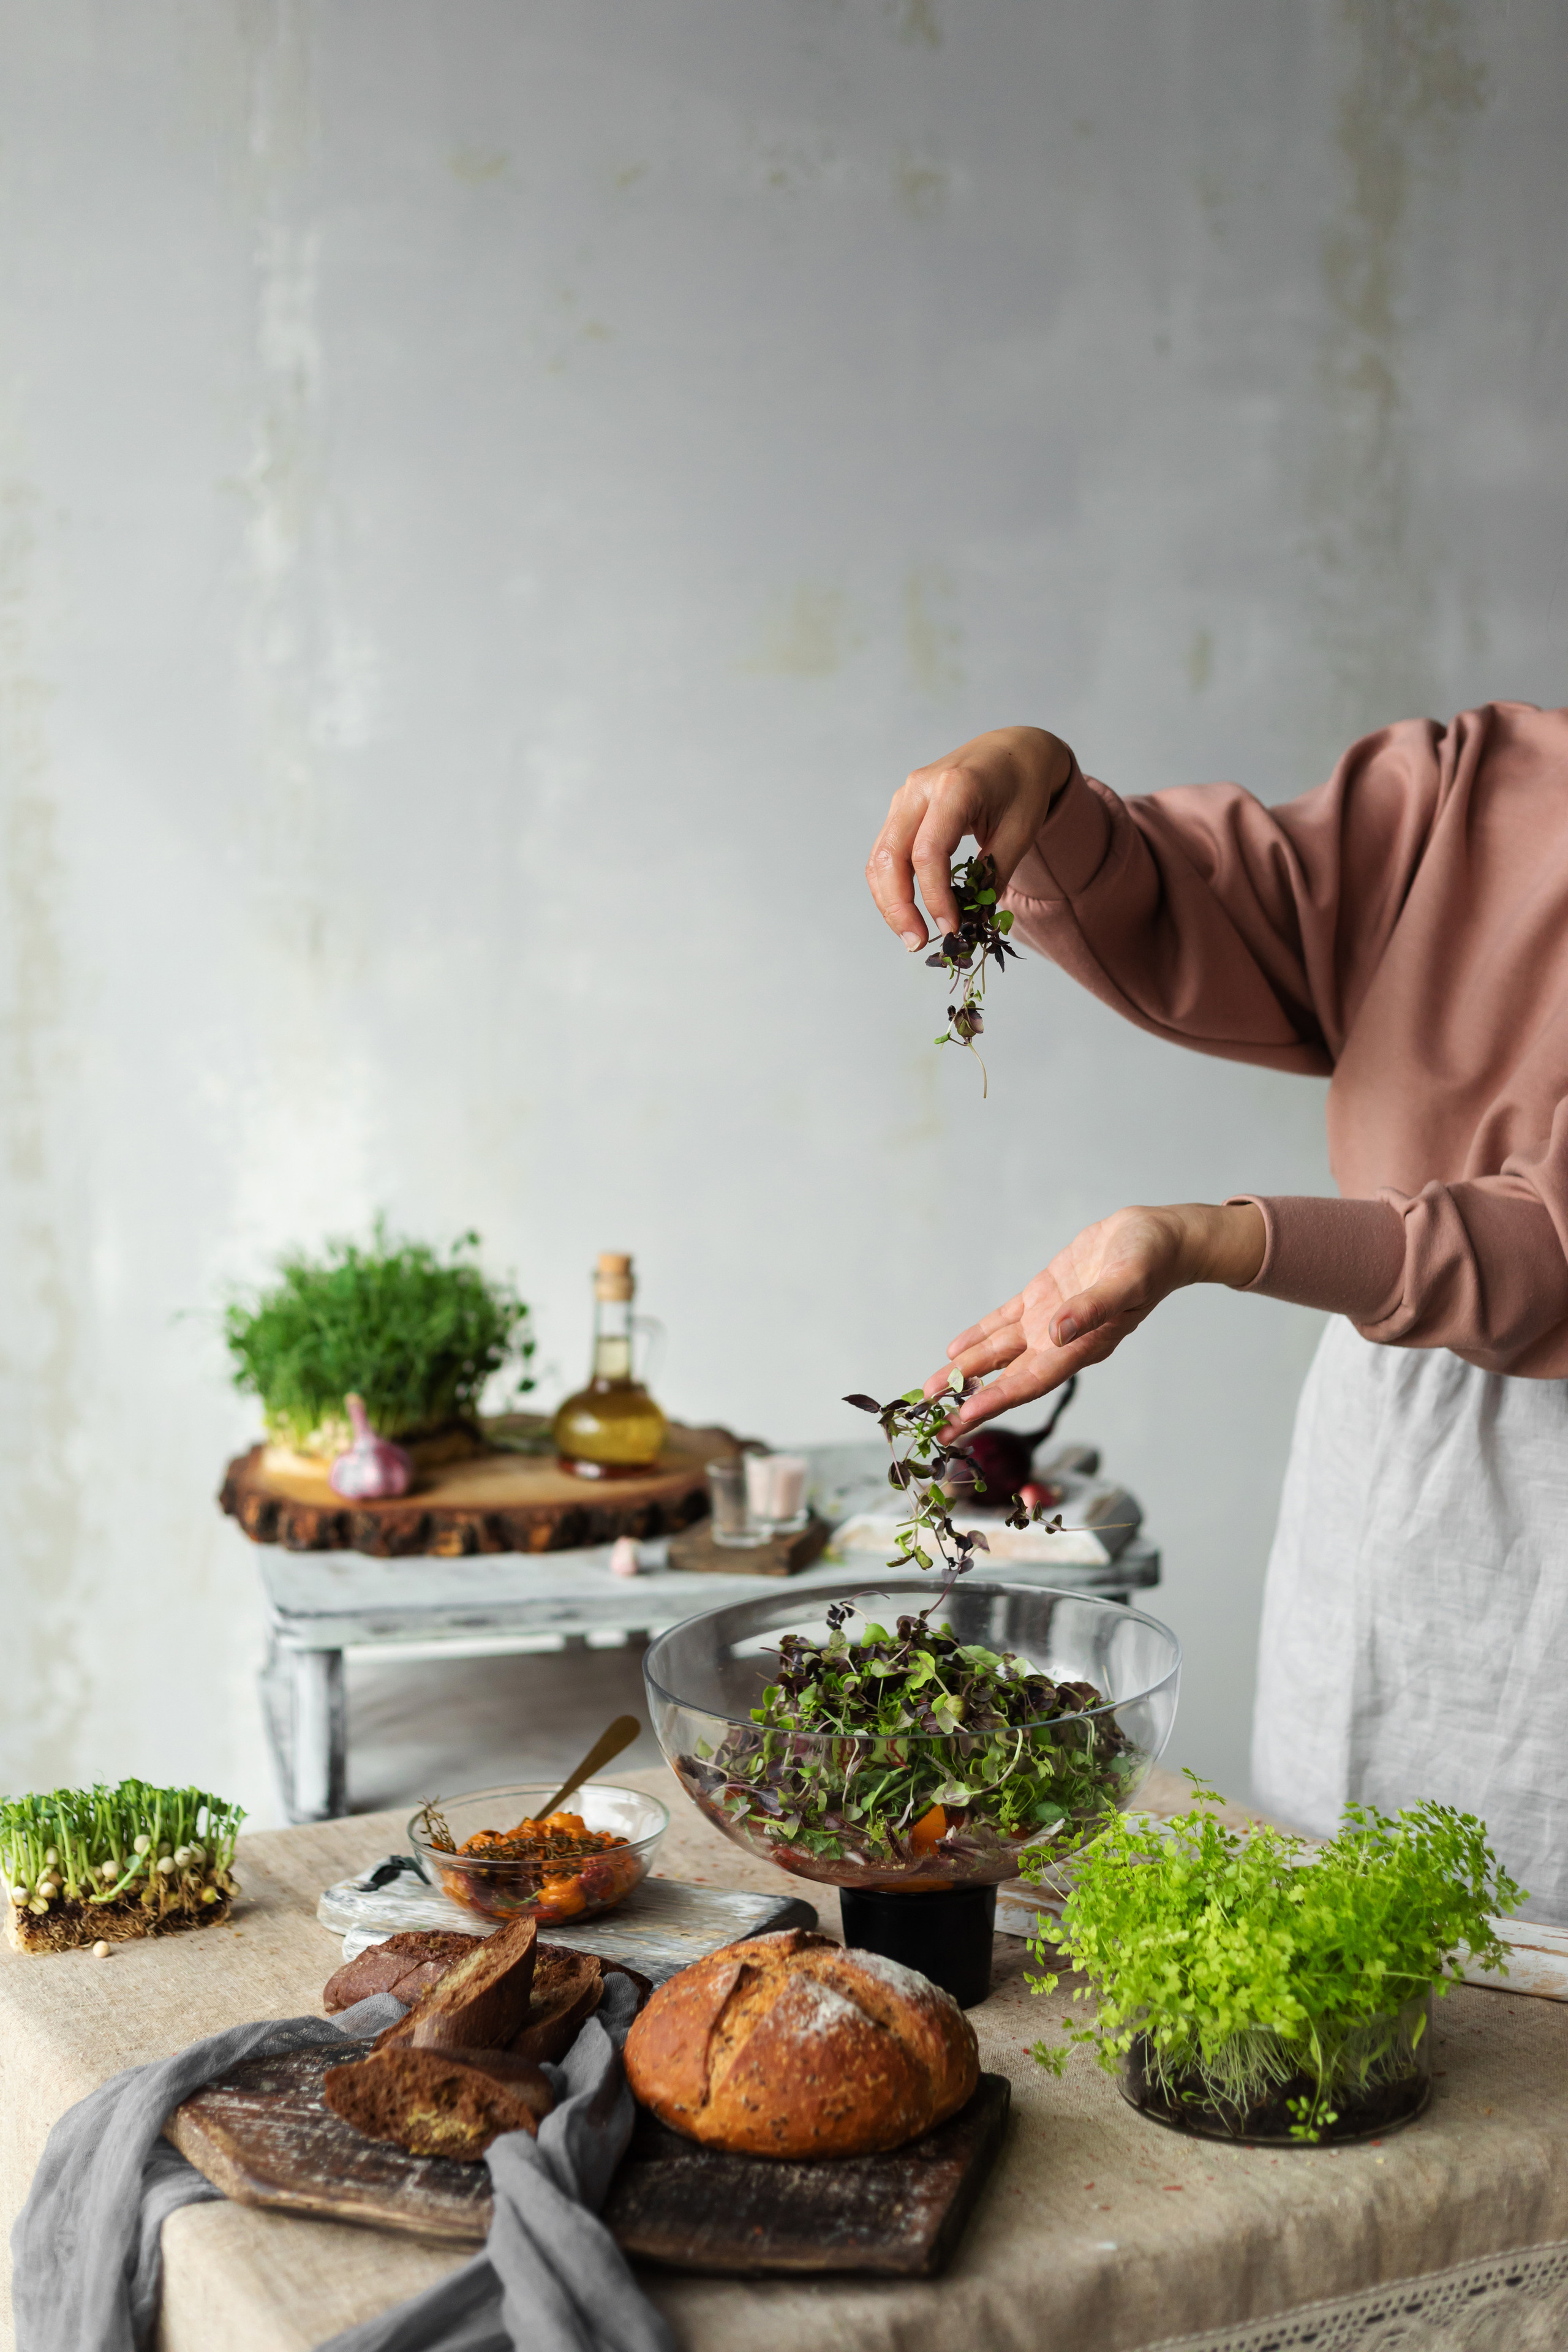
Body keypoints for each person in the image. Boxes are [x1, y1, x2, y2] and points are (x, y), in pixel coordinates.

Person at [866, 703, 1568, 1921]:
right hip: (1394, 1441)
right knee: (1349, 1937)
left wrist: (1214, 1238)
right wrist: (1044, 788)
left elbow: (1545, 1253)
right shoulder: (1481, 779)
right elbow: (1221, 921)